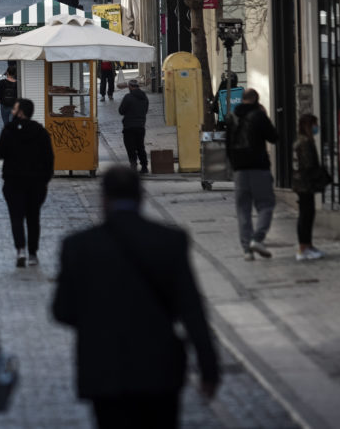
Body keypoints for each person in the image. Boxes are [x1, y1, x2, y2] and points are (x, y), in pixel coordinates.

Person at [53, 167, 220, 429]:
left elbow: (62, 311)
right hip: (159, 369)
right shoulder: (170, 241)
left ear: (104, 199)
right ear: (141, 198)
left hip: (104, 371)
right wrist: (209, 367)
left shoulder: (78, 246)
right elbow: (192, 310)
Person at [0, 98, 54, 267]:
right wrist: (45, 179)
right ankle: (33, 254)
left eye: (14, 109)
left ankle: (20, 249)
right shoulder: (40, 131)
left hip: (13, 181)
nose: (12, 111)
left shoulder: (9, 130)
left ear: (20, 112)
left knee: (16, 217)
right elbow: (49, 158)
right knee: (33, 218)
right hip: (36, 183)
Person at [225, 88, 278, 261]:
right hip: (259, 167)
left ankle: (247, 249)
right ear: (255, 99)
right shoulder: (258, 115)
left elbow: (227, 145)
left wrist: (234, 166)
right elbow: (273, 137)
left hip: (239, 170)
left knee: (243, 210)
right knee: (266, 205)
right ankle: (258, 238)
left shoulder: (232, 117)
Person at [291, 113, 328, 261]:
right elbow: (308, 164)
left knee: (307, 214)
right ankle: (304, 247)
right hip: (305, 185)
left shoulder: (299, 141)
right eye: (314, 124)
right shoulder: (305, 142)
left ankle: (307, 245)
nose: (316, 127)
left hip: (301, 184)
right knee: (306, 215)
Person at [118, 79, 149, 174]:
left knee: (131, 148)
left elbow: (121, 111)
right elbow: (145, 111)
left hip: (129, 127)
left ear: (130, 87)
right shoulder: (144, 97)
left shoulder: (128, 97)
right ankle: (144, 167)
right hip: (140, 126)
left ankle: (133, 167)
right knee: (140, 147)